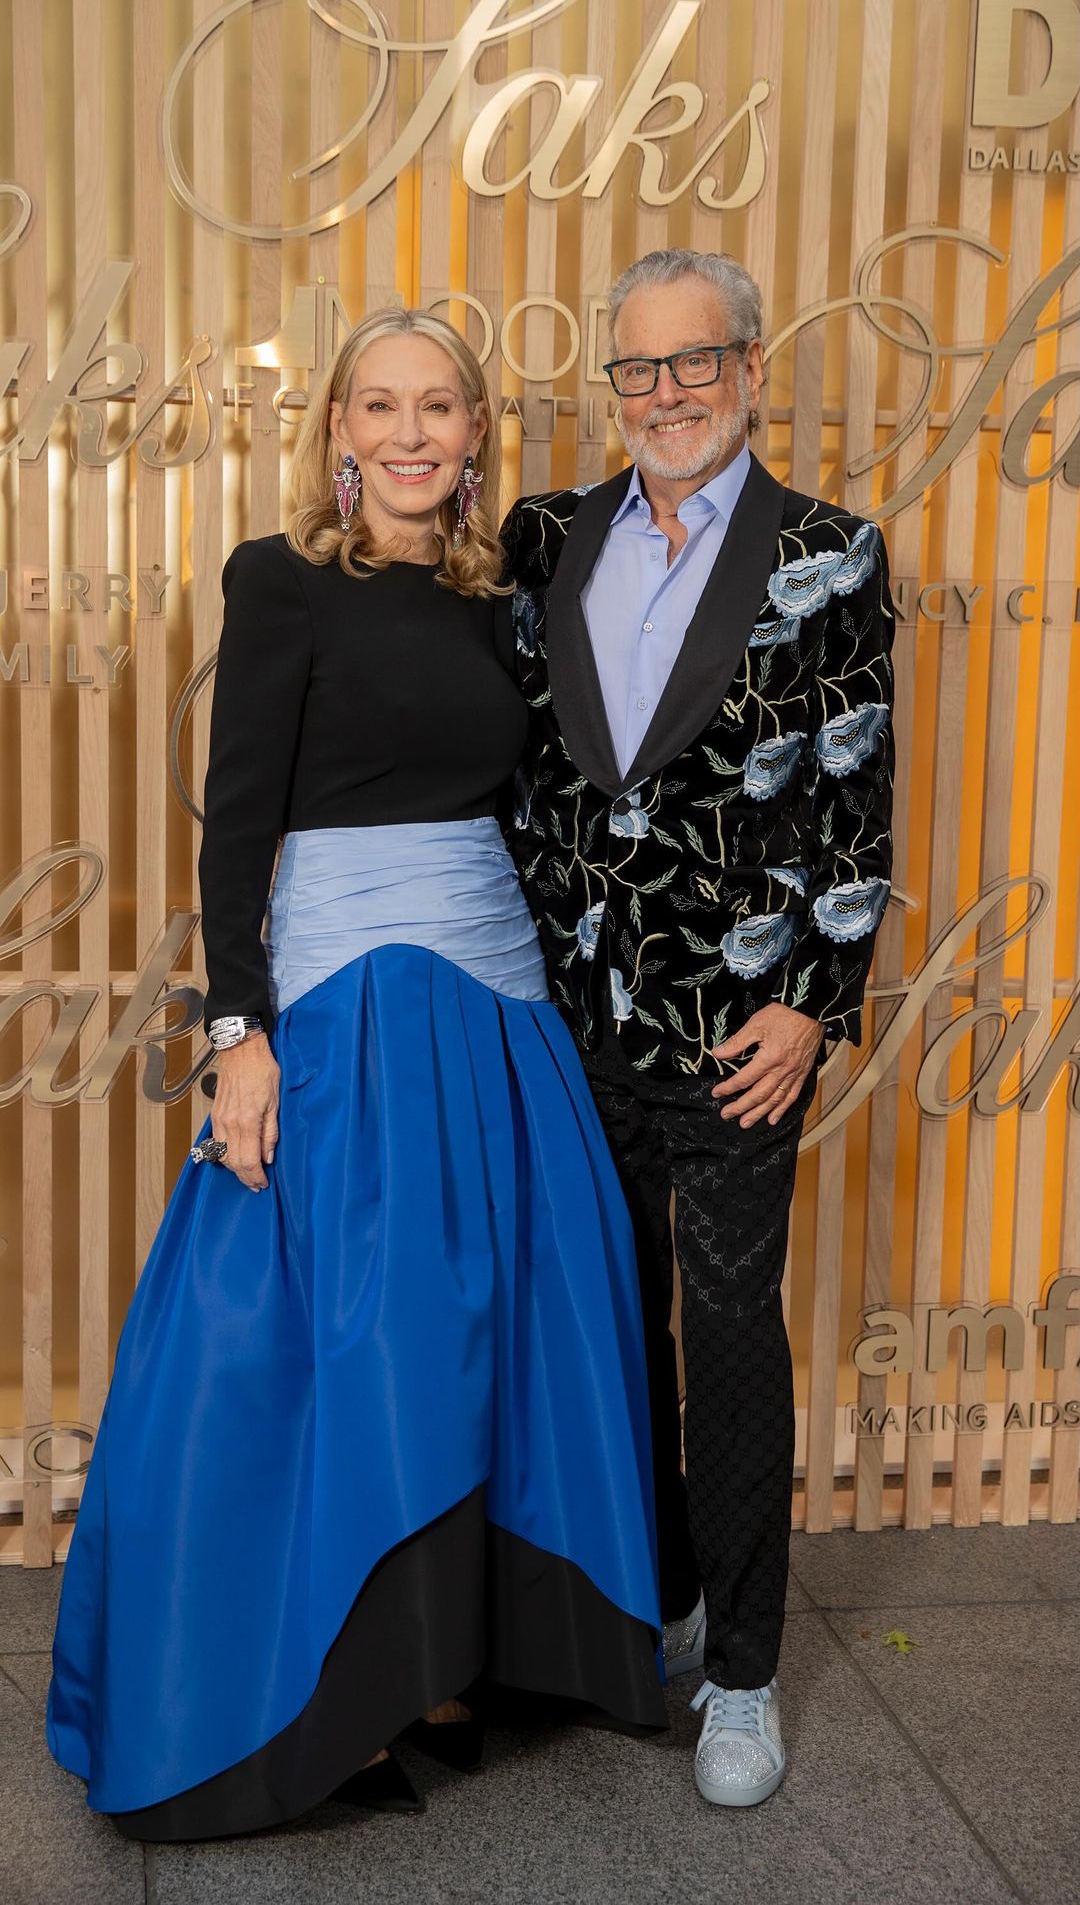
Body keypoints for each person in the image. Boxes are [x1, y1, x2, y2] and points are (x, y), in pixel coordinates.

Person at [46, 307, 666, 1843]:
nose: (408, 433)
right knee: (372, 1332)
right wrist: (238, 1033)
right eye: (379, 406)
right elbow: (236, 818)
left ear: (475, 433)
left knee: (506, 1315)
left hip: (495, 1003)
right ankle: (342, 1684)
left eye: (437, 407)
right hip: (347, 1000)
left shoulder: (505, 597)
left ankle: (453, 1662)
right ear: (335, 427)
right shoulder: (282, 580)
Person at [503, 249, 895, 1807]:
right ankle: (640, 1604)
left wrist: (813, 1002)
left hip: (739, 1033)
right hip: (565, 1020)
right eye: (638, 367)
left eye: (695, 362)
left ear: (750, 369)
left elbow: (855, 795)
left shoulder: (829, 553)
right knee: (603, 1325)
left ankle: (741, 1674)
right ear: (613, 381)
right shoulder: (546, 537)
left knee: (726, 1340)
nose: (666, 394)